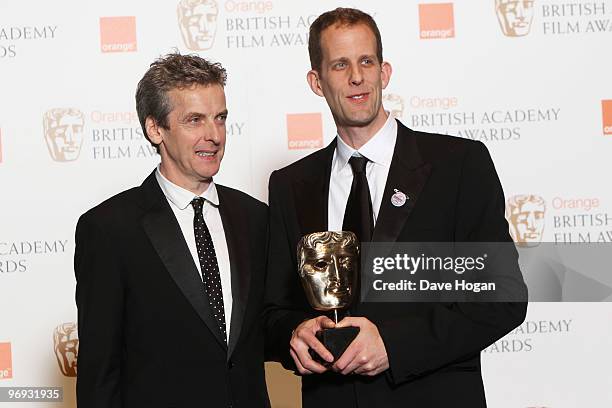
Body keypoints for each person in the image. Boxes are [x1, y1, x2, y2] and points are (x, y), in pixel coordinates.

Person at [264, 8, 527, 407]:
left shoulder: (458, 166)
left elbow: (502, 296)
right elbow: (273, 312)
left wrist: (395, 344)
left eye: (366, 61)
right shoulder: (289, 185)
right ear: (316, 82)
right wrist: (292, 334)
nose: (357, 77)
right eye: (340, 64)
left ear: (384, 72)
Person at [74, 52, 269, 407]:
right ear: (155, 128)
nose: (213, 135)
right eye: (194, 120)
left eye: (220, 118)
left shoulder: (255, 218)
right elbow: (98, 375)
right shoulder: (109, 230)